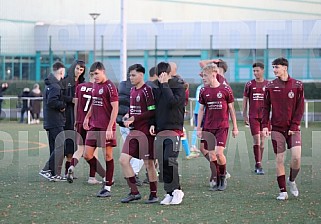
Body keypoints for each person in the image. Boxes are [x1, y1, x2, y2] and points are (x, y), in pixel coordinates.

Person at [262, 57, 304, 200]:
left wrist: (294, 125)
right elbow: (266, 107)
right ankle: (283, 192)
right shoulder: (270, 86)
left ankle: (291, 181)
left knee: (296, 158)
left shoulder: (298, 85)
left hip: (294, 128)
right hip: (277, 129)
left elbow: (300, 107)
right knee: (280, 159)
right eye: (273, 67)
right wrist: (264, 125)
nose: (274, 70)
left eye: (277, 67)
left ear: (285, 68)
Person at [119, 64, 158, 203]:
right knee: (123, 160)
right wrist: (127, 115)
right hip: (133, 131)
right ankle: (134, 192)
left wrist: (134, 118)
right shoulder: (132, 91)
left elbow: (152, 111)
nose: (131, 78)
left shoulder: (147, 90)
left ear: (142, 75)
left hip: (145, 132)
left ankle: (154, 194)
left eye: (133, 75)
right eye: (130, 75)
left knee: (149, 164)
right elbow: (133, 109)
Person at [197, 63, 238, 191]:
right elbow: (202, 110)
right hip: (208, 127)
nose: (203, 78)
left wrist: (235, 127)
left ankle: (222, 177)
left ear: (214, 75)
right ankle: (217, 179)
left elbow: (231, 109)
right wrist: (199, 127)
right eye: (202, 76)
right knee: (211, 155)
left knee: (219, 154)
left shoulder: (225, 90)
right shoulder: (204, 91)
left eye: (205, 75)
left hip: (222, 127)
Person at [150, 62, 185, 205]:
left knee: (170, 159)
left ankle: (177, 191)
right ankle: (169, 192)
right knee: (162, 163)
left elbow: (172, 102)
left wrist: (165, 85)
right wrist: (152, 122)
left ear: (168, 73)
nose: (160, 77)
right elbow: (154, 107)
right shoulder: (156, 88)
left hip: (174, 128)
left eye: (162, 74)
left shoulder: (178, 85)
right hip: (160, 129)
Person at [83, 62, 118, 197]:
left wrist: (110, 127)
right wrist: (87, 117)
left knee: (108, 155)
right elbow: (94, 102)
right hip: (94, 125)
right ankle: (106, 176)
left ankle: (107, 186)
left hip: (106, 126)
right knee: (87, 154)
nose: (95, 77)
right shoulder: (95, 86)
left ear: (103, 71)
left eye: (96, 73)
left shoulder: (110, 87)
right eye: (92, 74)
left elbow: (115, 107)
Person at [67, 71, 106, 184]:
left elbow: (76, 105)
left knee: (80, 149)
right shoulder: (98, 88)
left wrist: (76, 120)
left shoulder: (80, 87)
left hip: (80, 120)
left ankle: (72, 167)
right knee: (93, 152)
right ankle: (92, 177)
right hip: (92, 123)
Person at [39, 61, 67, 181]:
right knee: (61, 145)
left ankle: (53, 173)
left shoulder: (49, 84)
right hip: (55, 121)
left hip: (49, 121)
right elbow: (52, 101)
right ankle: (46, 169)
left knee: (54, 147)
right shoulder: (55, 86)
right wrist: (62, 105)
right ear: (61, 72)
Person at [117, 71, 144, 186]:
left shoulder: (121, 85)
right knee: (140, 151)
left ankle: (132, 174)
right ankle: (133, 174)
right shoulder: (136, 89)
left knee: (131, 151)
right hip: (131, 124)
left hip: (121, 123)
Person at [168, 62, 199, 159]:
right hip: (173, 119)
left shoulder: (178, 88)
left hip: (174, 117)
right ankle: (188, 153)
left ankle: (188, 153)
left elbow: (180, 102)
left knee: (182, 134)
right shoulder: (179, 88)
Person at [242, 62, 269, 175]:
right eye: (254, 71)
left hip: (265, 117)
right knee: (257, 139)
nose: (255, 73)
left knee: (263, 141)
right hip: (253, 116)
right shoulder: (249, 84)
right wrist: (244, 113)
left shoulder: (268, 84)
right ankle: (258, 164)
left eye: (257, 70)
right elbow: (245, 98)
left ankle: (259, 162)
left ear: (262, 70)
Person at [61, 60, 86, 177]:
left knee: (77, 142)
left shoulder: (83, 83)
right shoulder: (65, 81)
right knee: (68, 141)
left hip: (80, 115)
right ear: (73, 68)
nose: (79, 71)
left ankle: (70, 168)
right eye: (77, 69)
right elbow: (60, 96)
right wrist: (71, 99)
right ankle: (66, 170)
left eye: (81, 70)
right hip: (67, 114)